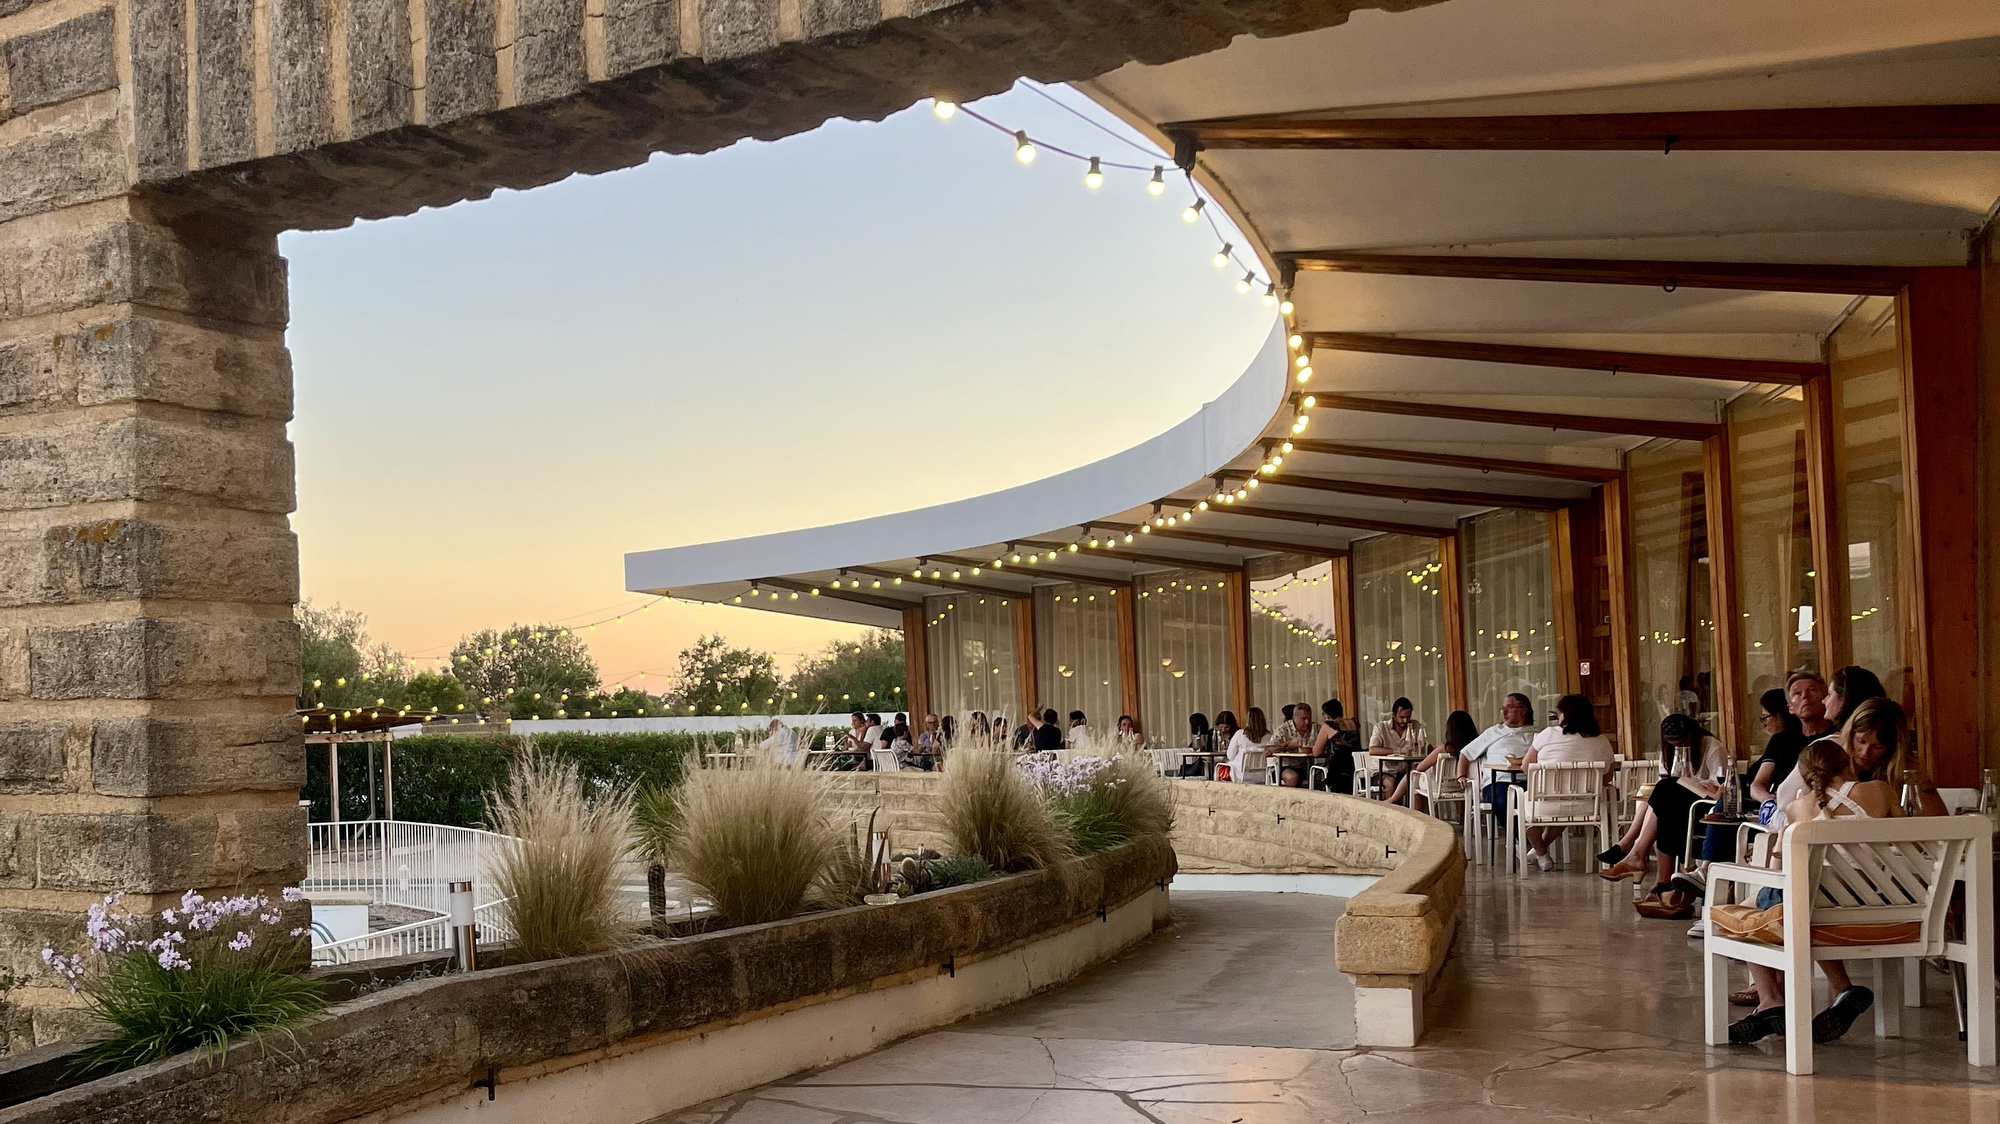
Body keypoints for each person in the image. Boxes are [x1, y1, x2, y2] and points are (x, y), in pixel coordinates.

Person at [1728, 722, 1905, 1047]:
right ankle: (1843, 990)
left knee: (1750, 909)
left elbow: (1779, 868)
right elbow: (1909, 840)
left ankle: (1771, 999)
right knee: (1806, 902)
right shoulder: (1880, 791)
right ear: (1848, 763)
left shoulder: (1798, 809)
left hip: (1818, 909)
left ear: (1806, 775)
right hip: (1879, 904)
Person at [1599, 714, 1727, 888]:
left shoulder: (1710, 746)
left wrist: (1693, 782)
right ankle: (1640, 858)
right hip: (1679, 801)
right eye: (1674, 745)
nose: (1679, 748)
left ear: (1691, 735)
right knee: (1660, 797)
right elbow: (1665, 777)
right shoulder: (1669, 750)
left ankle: (1632, 848)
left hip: (1702, 803)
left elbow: (1718, 784)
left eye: (1682, 743)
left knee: (1662, 795)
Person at [1517, 695, 1613, 871]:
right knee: (1565, 802)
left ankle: (1541, 853)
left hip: (1546, 804)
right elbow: (1607, 778)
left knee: (1523, 805)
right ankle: (1539, 852)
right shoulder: (1602, 740)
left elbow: (1526, 766)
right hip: (1587, 806)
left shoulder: (1548, 734)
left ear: (1564, 715)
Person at [1457, 693, 1538, 817]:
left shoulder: (1537, 734)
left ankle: (1528, 835)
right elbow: (1465, 753)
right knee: (1504, 802)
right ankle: (1524, 836)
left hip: (1529, 781)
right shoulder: (1494, 732)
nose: (1504, 712)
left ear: (1523, 710)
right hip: (1498, 782)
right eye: (1503, 708)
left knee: (1541, 804)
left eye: (1510, 708)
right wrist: (1461, 776)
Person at [1411, 709, 1478, 814]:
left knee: (1414, 774)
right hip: (1465, 785)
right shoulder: (1475, 748)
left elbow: (1420, 768)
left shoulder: (1444, 749)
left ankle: (1418, 814)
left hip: (1442, 787)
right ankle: (1393, 799)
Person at [1747, 688, 1806, 805]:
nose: (1764, 724)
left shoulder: (1781, 741)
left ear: (1780, 715)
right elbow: (1757, 785)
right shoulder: (1777, 741)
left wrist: (1773, 803)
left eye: (1765, 718)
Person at [1311, 699, 1363, 793]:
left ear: (1327, 714)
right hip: (1355, 765)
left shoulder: (1328, 726)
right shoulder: (1353, 723)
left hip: (1337, 768)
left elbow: (1316, 752)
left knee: (1316, 774)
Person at [1225, 706, 1272, 783]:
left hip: (1240, 774)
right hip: (1263, 774)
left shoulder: (1240, 734)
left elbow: (1230, 755)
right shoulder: (1269, 736)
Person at [1274, 703, 1317, 786]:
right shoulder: (1283, 730)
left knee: (1325, 775)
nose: (1307, 722)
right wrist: (1288, 745)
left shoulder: (1315, 728)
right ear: (1294, 718)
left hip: (1307, 765)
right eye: (1303, 719)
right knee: (1294, 777)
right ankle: (1286, 798)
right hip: (1285, 766)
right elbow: (1267, 751)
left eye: (1309, 718)